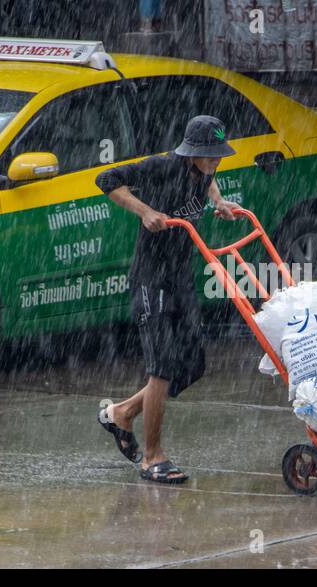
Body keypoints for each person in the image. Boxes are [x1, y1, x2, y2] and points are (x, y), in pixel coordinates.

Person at [94, 115, 243, 485]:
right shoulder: (162, 167)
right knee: (161, 366)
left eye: (217, 155)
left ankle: (123, 412)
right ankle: (152, 457)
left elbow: (208, 183)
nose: (214, 161)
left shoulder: (205, 171)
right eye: (208, 155)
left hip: (179, 276)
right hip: (151, 278)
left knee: (190, 365)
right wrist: (145, 211)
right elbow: (106, 180)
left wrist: (219, 202)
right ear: (191, 151)